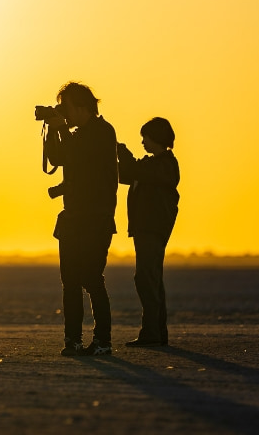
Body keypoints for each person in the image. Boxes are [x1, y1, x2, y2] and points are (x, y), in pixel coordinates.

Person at [39, 82, 119, 356]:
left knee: (92, 278)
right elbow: (59, 158)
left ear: (82, 106)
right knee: (70, 281)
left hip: (95, 218)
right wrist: (52, 129)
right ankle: (72, 340)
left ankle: (103, 341)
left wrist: (60, 127)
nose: (65, 114)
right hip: (73, 218)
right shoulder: (78, 134)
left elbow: (78, 155)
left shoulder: (102, 132)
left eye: (66, 108)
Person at [117, 117, 180, 347]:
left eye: (145, 138)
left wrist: (120, 150)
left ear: (156, 138)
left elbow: (133, 169)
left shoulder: (163, 165)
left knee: (146, 278)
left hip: (152, 229)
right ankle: (156, 332)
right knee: (151, 278)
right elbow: (127, 173)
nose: (143, 142)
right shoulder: (157, 165)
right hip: (148, 230)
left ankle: (151, 333)